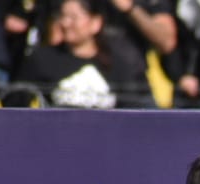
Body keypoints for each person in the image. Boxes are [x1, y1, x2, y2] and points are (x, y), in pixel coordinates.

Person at [16, 0, 148, 107]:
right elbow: (17, 101)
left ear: (96, 23)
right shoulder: (41, 59)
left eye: (74, 17)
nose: (66, 23)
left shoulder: (117, 63)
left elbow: (131, 108)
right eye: (63, 16)